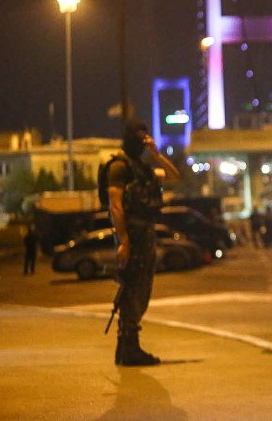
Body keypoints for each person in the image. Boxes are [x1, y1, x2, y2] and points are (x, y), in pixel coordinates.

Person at [106, 118, 182, 366]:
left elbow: (173, 175)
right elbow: (115, 207)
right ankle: (128, 347)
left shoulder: (142, 167)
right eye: (138, 136)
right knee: (133, 289)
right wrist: (123, 240)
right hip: (134, 236)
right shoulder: (119, 167)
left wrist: (156, 154)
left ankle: (127, 347)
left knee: (143, 288)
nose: (142, 140)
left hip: (146, 235)